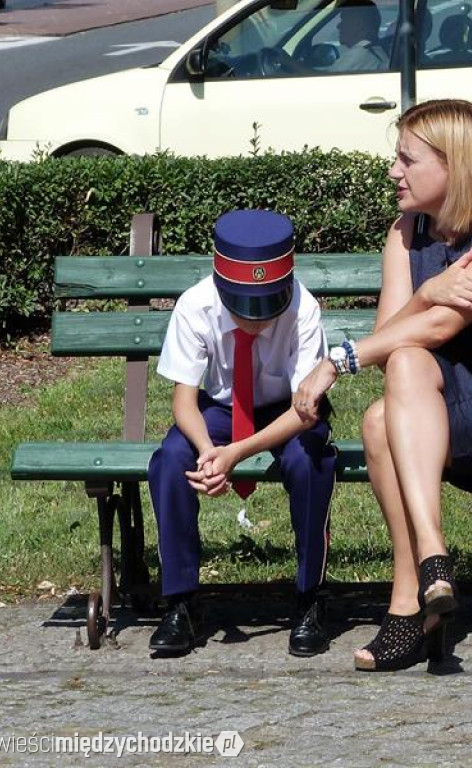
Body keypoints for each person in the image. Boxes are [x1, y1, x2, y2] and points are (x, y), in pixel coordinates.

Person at [294, 98, 472, 671]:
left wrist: (337, 360)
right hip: (452, 401)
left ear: (454, 163)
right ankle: (426, 583)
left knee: (394, 392)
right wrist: (429, 291)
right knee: (385, 404)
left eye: (406, 159)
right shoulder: (406, 233)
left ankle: (413, 595)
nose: (391, 171)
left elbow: (441, 326)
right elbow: (395, 337)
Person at [148, 209, 337, 658]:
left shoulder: (302, 308)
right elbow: (183, 403)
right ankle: (182, 602)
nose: (257, 319)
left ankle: (310, 597)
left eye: (268, 304)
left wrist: (235, 453)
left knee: (309, 461)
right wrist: (209, 450)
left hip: (291, 407)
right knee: (170, 460)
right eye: (244, 306)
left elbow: (305, 409)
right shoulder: (195, 305)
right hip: (219, 406)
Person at [331, 0, 388, 72]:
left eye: (343, 20)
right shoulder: (381, 52)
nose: (338, 26)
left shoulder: (356, 57)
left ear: (358, 25)